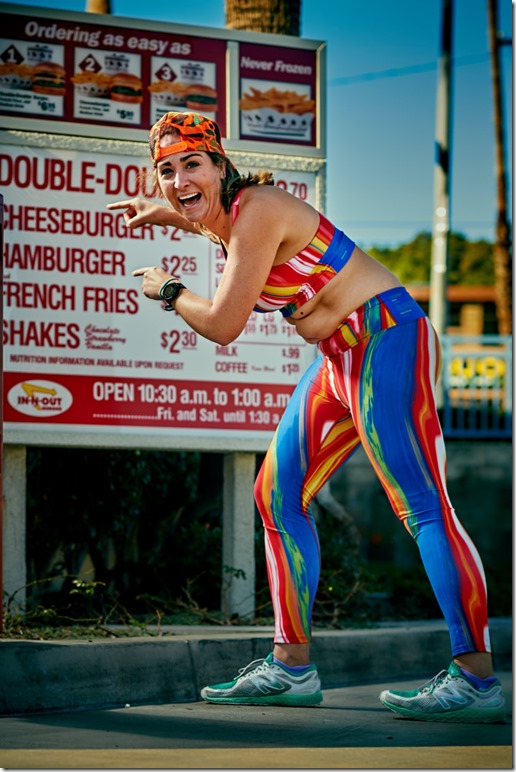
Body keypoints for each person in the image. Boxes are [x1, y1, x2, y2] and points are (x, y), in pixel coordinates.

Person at [107, 111, 506, 723]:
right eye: (166, 170)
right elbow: (205, 218)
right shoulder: (223, 220)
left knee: (423, 505)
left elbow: (221, 324)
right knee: (277, 495)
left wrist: (168, 290)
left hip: (386, 339)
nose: (179, 178)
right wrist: (164, 209)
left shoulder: (258, 210)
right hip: (338, 358)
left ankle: (476, 678)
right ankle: (291, 668)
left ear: (222, 166)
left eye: (192, 164)